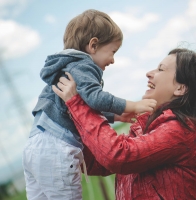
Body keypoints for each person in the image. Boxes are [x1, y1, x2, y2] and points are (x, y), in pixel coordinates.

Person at [53, 48, 196, 199]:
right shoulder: (148, 127)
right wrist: (65, 124)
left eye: (161, 69)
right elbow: (98, 163)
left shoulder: (180, 129)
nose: (149, 73)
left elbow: (119, 157)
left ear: (181, 88)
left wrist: (78, 105)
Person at [22, 9, 156, 200]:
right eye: (112, 51)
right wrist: (132, 106)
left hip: (34, 147)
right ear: (93, 45)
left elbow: (82, 107)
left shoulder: (66, 67)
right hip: (57, 150)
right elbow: (95, 98)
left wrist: (115, 116)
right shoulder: (83, 65)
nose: (113, 60)